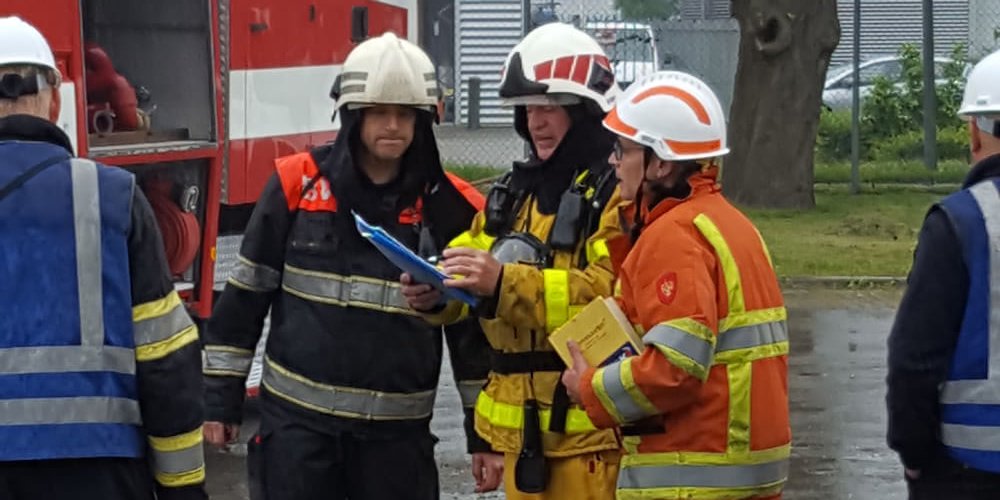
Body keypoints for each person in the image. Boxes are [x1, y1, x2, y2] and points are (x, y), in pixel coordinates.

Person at [202, 32, 490, 500]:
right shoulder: (296, 184)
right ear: (353, 116)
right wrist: (221, 401)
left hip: (396, 445)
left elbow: (473, 338)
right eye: (379, 112)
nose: (392, 125)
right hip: (298, 435)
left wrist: (485, 438)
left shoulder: (454, 206)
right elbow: (245, 298)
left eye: (404, 114)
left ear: (424, 120)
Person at [402, 22, 624, 499]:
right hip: (523, 441)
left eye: (550, 108)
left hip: (592, 442)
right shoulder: (513, 193)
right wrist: (436, 294)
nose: (536, 122)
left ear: (584, 114)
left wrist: (504, 282)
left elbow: (610, 297)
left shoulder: (617, 196)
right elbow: (471, 274)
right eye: (528, 110)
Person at [0, 16, 206, 500]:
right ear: (54, 100)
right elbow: (165, 358)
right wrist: (183, 488)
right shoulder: (111, 196)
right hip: (98, 469)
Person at [561, 70, 791, 500]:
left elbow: (676, 369)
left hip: (690, 474)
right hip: (744, 473)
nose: (613, 161)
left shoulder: (673, 236)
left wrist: (589, 387)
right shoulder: (731, 224)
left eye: (622, 150)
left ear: (660, 162)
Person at [887, 48, 1000, 499]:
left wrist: (915, 456)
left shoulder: (963, 222)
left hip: (967, 474)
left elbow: (913, 361)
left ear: (975, 130)